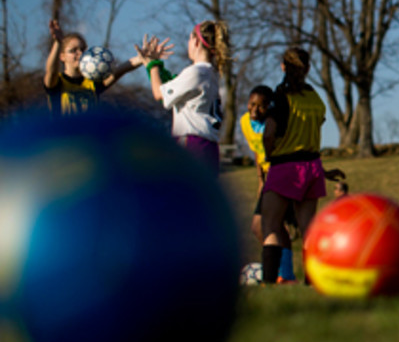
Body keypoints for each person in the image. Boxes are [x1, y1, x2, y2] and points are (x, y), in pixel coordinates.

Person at [258, 47, 344, 285]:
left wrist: (269, 155)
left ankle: (267, 282)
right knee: (308, 229)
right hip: (312, 168)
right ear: (307, 69)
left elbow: (269, 133)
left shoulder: (281, 96)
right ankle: (312, 280)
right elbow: (313, 134)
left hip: (285, 166)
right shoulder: (315, 98)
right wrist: (323, 171)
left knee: (271, 225)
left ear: (283, 66)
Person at [137, 20, 231, 174]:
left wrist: (152, 64)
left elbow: (158, 93)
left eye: (189, 38)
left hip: (192, 145)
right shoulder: (211, 74)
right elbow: (171, 87)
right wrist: (157, 67)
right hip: (210, 149)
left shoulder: (196, 72)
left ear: (196, 41)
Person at [239, 85, 297, 283]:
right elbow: (256, 151)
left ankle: (285, 273)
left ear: (269, 107)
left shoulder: (275, 124)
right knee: (265, 227)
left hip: (282, 174)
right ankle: (284, 273)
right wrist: (260, 180)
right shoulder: (245, 122)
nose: (255, 110)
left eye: (261, 106)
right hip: (267, 177)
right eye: (252, 104)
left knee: (264, 225)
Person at [43, 19, 139, 114]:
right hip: (63, 130)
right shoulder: (57, 82)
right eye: (73, 50)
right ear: (62, 56)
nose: (80, 53)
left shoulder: (92, 81)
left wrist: (142, 59)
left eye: (82, 49)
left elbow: (121, 70)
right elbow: (51, 71)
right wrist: (58, 43)